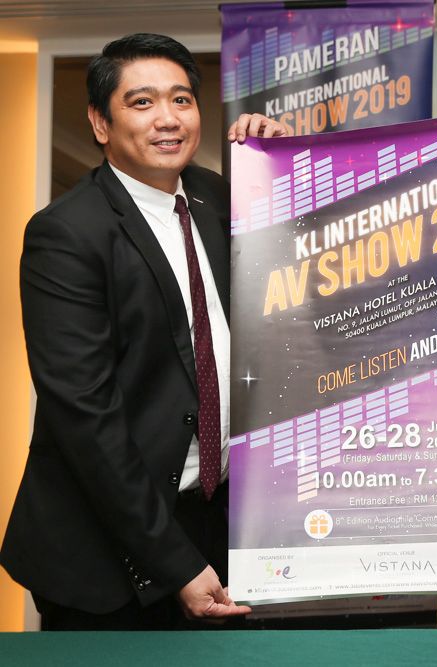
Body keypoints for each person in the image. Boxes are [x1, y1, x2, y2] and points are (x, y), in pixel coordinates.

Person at [1, 33, 285, 630]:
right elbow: (86, 419)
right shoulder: (66, 234)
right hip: (108, 548)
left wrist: (285, 162)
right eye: (142, 102)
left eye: (181, 99)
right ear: (100, 123)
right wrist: (175, 564)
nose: (168, 119)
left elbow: (318, 267)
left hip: (218, 519)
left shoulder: (218, 196)